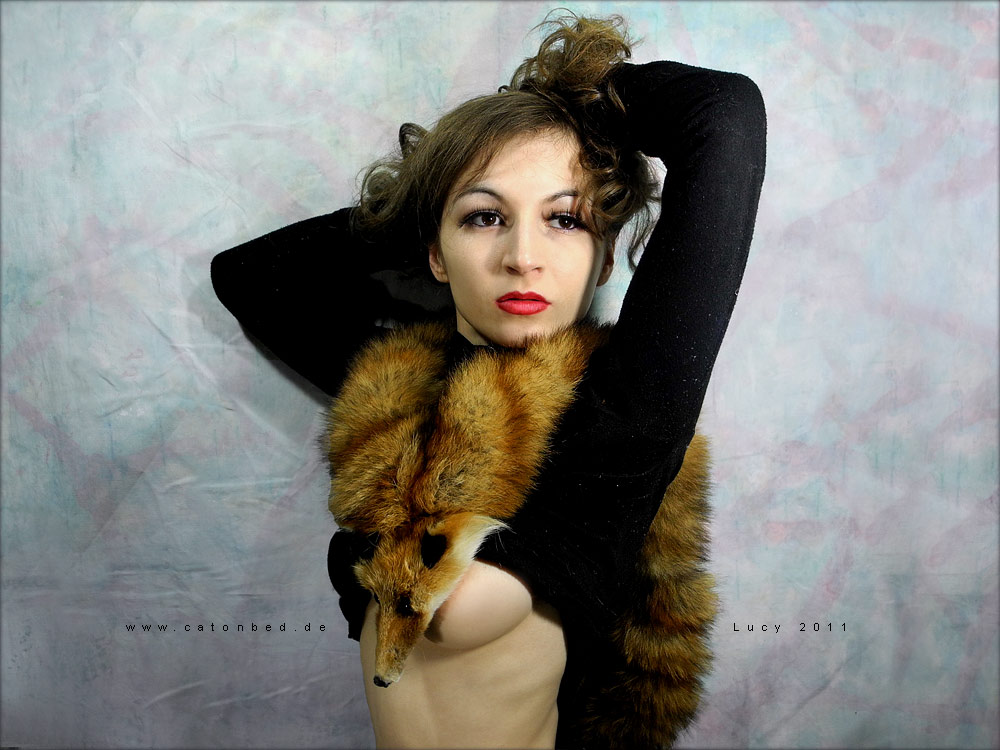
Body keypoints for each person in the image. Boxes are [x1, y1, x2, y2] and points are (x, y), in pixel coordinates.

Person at [211, 12, 765, 749]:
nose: (522, 256)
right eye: (484, 219)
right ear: (434, 254)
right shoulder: (395, 392)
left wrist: (573, 98)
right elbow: (248, 276)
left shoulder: (616, 419)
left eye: (565, 220)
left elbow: (725, 116)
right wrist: (429, 193)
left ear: (605, 258)